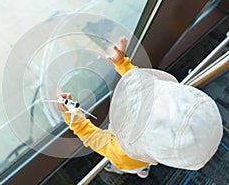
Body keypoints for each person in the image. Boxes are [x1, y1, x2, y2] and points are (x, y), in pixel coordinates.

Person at [56, 37, 223, 178]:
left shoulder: (122, 154)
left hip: (126, 161)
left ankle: (128, 169)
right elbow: (144, 87)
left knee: (122, 164)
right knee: (143, 159)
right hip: (146, 152)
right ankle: (144, 166)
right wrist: (122, 63)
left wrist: (72, 115)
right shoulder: (172, 121)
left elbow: (94, 137)